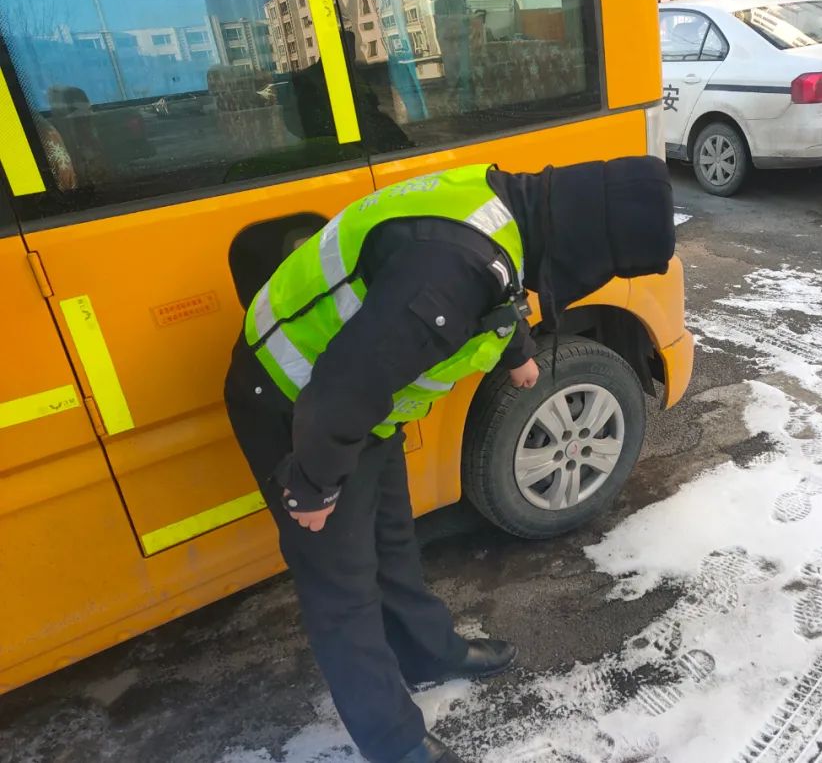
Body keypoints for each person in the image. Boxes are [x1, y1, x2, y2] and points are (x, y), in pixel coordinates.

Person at [223, 157, 675, 763]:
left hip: (358, 408)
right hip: (295, 401)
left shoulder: (510, 208)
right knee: (342, 587)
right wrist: (310, 485)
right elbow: (340, 391)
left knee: (391, 538)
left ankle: (426, 651)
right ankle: (395, 742)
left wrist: (516, 352)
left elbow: (503, 285)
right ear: (589, 236)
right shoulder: (451, 267)